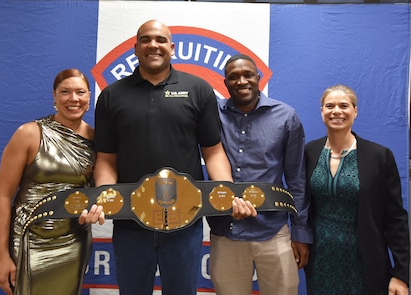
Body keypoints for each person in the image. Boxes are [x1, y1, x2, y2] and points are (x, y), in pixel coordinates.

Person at [80, 20, 255, 295]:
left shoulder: (198, 89)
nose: (153, 45)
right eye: (146, 39)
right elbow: (106, 159)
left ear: (172, 48)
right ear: (135, 48)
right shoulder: (112, 96)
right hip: (130, 223)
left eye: (161, 40)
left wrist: (229, 192)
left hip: (185, 223)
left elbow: (213, 152)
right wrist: (104, 195)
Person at [206, 54, 312, 295]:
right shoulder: (212, 115)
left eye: (247, 75)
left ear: (259, 78)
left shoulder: (286, 117)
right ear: (225, 83)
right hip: (226, 231)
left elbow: (296, 180)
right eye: (234, 77)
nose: (241, 81)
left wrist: (300, 232)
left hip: (273, 232)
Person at [0, 68, 95, 295]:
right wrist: (2, 258)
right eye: (65, 92)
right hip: (29, 241)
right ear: (54, 96)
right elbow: (2, 195)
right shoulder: (29, 133)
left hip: (74, 243)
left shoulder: (97, 140)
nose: (73, 99)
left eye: (80, 92)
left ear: (89, 97)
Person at [304, 84, 410, 294]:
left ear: (355, 111)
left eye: (344, 106)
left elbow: (396, 218)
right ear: (322, 112)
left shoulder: (379, 156)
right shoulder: (310, 152)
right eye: (329, 106)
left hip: (364, 259)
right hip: (320, 259)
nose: (336, 111)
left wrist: (401, 274)